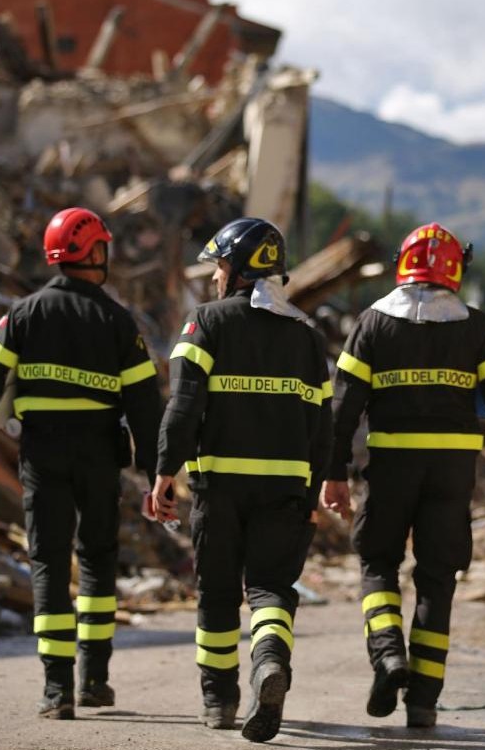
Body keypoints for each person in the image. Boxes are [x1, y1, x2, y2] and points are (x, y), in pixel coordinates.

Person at [321, 223, 485, 729]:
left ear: (402, 264)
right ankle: (424, 701)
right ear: (455, 269)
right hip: (452, 471)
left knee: (377, 560)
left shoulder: (371, 323)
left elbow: (343, 409)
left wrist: (334, 472)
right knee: (437, 578)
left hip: (391, 466)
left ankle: (388, 657)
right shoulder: (474, 325)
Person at [0, 207, 161, 719]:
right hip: (100, 458)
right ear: (95, 252)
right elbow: (145, 406)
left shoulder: (23, 313)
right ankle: (94, 679)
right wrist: (156, 474)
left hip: (43, 454)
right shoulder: (119, 321)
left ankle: (57, 692)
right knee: (97, 562)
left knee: (49, 563)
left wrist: (6, 409)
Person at [146, 217, 330, 744]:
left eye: (219, 266)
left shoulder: (204, 322)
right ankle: (269, 662)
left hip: (219, 488)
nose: (214, 276)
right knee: (271, 588)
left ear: (236, 269)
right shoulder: (306, 338)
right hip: (286, 490)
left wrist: (164, 470)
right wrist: (313, 490)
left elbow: (182, 408)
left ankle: (218, 700)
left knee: (219, 593)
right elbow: (323, 426)